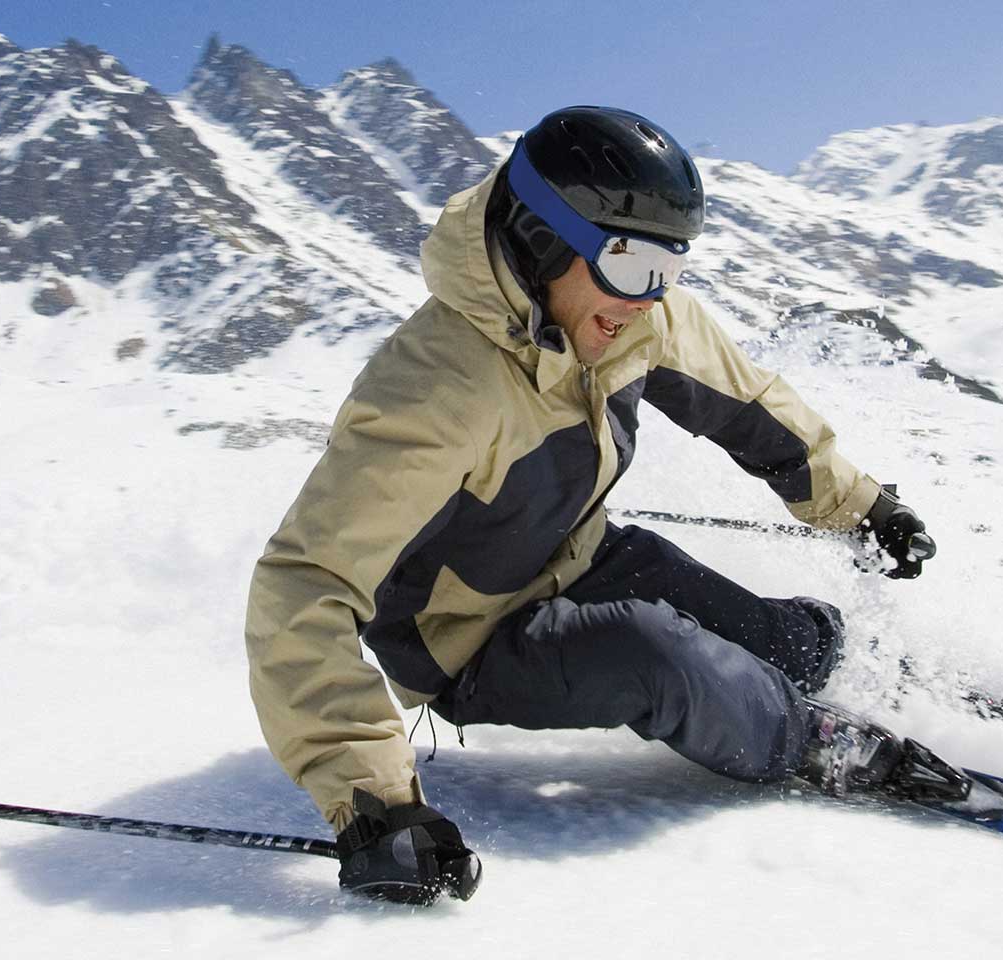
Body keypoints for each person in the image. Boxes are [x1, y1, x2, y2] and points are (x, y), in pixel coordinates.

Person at [244, 106, 960, 906]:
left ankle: (841, 664)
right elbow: (301, 586)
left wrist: (864, 507)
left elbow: (748, 407)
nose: (651, 297)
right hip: (469, 642)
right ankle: (815, 741)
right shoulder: (435, 391)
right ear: (543, 238)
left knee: (782, 641)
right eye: (630, 261)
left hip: (584, 555)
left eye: (671, 267)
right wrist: (374, 805)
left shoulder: (628, 314)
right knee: (655, 654)